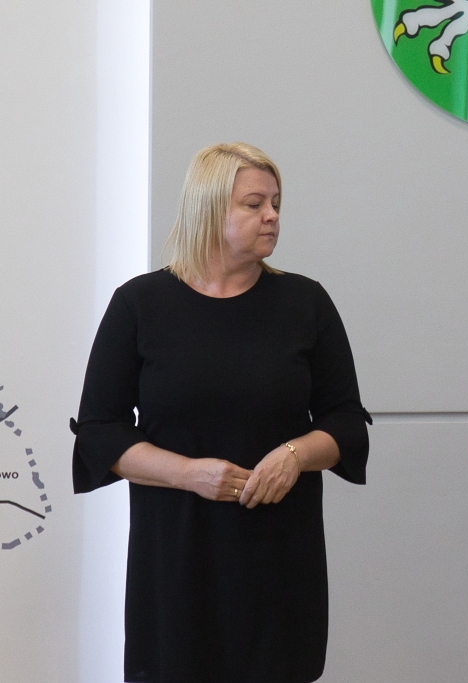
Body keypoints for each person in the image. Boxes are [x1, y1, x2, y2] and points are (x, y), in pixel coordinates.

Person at [71, 142, 371, 683]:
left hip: (279, 564)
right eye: (254, 204)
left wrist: (294, 455)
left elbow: (346, 424)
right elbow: (99, 434)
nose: (272, 215)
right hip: (176, 562)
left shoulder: (306, 304)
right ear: (209, 209)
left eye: (276, 203)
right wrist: (189, 474)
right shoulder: (139, 305)